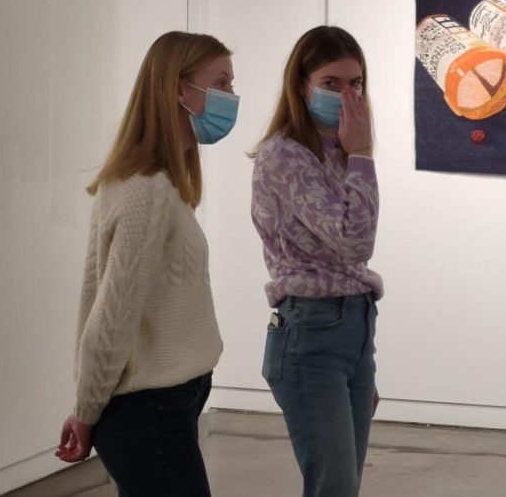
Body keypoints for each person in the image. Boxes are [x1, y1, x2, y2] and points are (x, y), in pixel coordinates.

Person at [56, 31, 239, 497]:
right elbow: (110, 316)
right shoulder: (146, 191)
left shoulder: (162, 185)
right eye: (221, 83)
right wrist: (86, 409)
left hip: (167, 402)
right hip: (147, 409)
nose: (232, 98)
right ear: (180, 90)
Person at [250, 25, 383, 497]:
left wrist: (359, 356)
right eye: (332, 84)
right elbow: (355, 241)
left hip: (354, 326)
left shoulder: (340, 150)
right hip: (310, 333)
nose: (347, 96)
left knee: (346, 483)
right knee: (335, 487)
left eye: (356, 84)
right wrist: (363, 153)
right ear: (301, 84)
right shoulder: (283, 156)